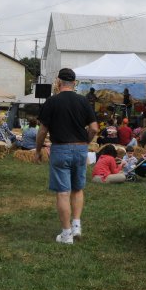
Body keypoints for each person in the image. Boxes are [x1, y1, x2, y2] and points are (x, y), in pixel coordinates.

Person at [35, 68, 98, 245]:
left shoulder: (51, 102)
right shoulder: (83, 101)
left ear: (58, 82)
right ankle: (76, 226)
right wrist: (85, 142)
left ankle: (66, 235)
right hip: (80, 149)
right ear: (74, 83)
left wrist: (38, 150)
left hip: (60, 149)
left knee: (63, 192)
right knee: (78, 188)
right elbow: (94, 128)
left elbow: (42, 131)